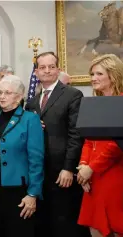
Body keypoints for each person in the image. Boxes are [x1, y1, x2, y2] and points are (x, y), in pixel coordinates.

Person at [25, 52, 90, 237]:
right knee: (43, 221)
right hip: (38, 171)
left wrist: (69, 168)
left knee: (64, 221)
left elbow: (76, 134)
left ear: (58, 69)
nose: (47, 71)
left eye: (51, 67)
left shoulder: (72, 95)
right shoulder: (31, 102)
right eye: (42, 67)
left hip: (62, 170)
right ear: (36, 72)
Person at [0, 75, 44, 237]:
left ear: (19, 97)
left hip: (17, 190)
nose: (2, 96)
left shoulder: (30, 120)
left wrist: (33, 193)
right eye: (0, 92)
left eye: (7, 93)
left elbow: (36, 160)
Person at [77, 54, 123, 237]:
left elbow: (117, 144)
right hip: (92, 176)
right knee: (94, 226)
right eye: (91, 74)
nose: (93, 78)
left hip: (115, 175)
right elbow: (88, 139)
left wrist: (92, 168)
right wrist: (83, 167)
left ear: (112, 75)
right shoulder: (94, 102)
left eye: (98, 74)